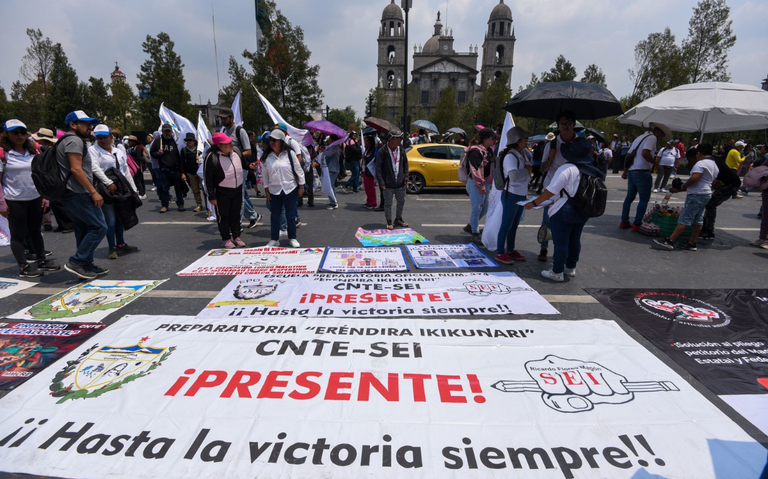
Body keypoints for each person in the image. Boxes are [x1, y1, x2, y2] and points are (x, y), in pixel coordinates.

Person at [525, 137, 606, 282]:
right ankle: (570, 268)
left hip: (564, 208)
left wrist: (534, 203)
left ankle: (557, 271)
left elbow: (550, 191)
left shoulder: (567, 168)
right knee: (575, 240)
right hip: (583, 208)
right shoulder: (592, 170)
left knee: (560, 241)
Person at [0, 120, 60, 277]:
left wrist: (45, 197)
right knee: (18, 234)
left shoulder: (33, 151)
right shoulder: (3, 153)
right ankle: (23, 266)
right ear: (7, 134)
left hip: (35, 197)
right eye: (15, 132)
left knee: (35, 231)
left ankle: (42, 260)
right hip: (14, 199)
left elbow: (41, 175)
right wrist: (1, 203)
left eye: (22, 132)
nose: (20, 136)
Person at [57, 110, 108, 280]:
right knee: (100, 227)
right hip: (78, 192)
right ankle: (77, 261)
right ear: (73, 125)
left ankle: (85, 265)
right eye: (86, 124)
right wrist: (93, 192)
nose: (90, 127)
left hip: (72, 193)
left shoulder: (69, 140)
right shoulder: (73, 140)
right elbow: (76, 169)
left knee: (83, 229)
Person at [653, 144, 718, 251]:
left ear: (698, 153)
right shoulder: (714, 164)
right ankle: (692, 242)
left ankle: (670, 240)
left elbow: (695, 178)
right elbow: (714, 181)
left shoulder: (701, 163)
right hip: (706, 193)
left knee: (685, 218)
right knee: (698, 219)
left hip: (697, 194)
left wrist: (684, 186)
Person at [89, 124, 140, 260]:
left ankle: (121, 244)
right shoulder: (93, 150)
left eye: (105, 137)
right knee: (110, 219)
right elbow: (95, 168)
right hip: (106, 189)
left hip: (121, 188)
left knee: (120, 217)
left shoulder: (119, 151)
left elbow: (125, 171)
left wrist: (133, 188)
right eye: (99, 138)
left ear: (111, 136)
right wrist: (108, 183)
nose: (102, 140)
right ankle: (112, 247)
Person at [538, 111, 579, 262]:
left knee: (569, 224)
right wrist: (550, 158)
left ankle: (561, 254)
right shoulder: (552, 145)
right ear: (558, 126)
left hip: (572, 193)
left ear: (574, 124)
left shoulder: (580, 144)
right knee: (547, 221)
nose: (565, 127)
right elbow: (542, 169)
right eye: (562, 124)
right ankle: (544, 247)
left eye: (568, 124)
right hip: (552, 190)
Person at [203, 132, 254, 249]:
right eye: (228, 143)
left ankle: (237, 236)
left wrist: (249, 166)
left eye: (231, 142)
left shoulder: (236, 151)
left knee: (235, 214)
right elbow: (207, 178)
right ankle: (226, 238)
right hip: (221, 192)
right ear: (220, 146)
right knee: (224, 216)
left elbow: (243, 163)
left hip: (237, 189)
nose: (231, 144)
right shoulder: (211, 157)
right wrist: (211, 196)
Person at [620, 123, 672, 231]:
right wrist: (656, 164)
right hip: (642, 172)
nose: (660, 138)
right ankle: (637, 224)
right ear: (658, 132)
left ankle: (624, 221)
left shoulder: (639, 137)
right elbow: (645, 153)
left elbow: (628, 155)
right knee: (644, 199)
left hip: (632, 171)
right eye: (661, 136)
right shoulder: (652, 138)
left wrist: (625, 170)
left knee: (629, 198)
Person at [262, 129, 305, 247]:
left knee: (290, 215)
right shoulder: (266, 156)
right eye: (270, 140)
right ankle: (274, 239)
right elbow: (265, 174)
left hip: (290, 188)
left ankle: (292, 237)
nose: (272, 142)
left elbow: (298, 169)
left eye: (275, 140)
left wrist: (301, 186)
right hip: (274, 190)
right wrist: (266, 189)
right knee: (275, 215)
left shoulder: (290, 154)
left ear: (281, 141)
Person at [495, 126, 530, 264]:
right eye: (525, 138)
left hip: (519, 194)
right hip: (512, 194)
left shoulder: (521, 154)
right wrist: (527, 170)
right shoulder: (511, 156)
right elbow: (513, 177)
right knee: (506, 225)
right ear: (518, 140)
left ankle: (510, 250)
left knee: (514, 225)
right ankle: (500, 253)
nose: (527, 140)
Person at [462, 128, 497, 241]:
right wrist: (480, 185)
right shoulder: (476, 151)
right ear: (486, 139)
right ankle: (474, 232)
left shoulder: (489, 151)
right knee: (476, 209)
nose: (494, 141)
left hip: (486, 184)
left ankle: (470, 226)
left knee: (485, 209)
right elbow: (475, 170)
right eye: (493, 138)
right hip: (476, 184)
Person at [700, 148, 741, 240]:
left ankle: (708, 230)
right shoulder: (714, 159)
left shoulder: (710, 162)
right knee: (710, 204)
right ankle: (706, 227)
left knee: (711, 204)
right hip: (728, 183)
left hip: (730, 184)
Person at [375, 128, 409, 230]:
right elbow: (378, 168)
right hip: (388, 183)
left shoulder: (401, 149)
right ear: (391, 139)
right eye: (398, 138)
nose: (400, 140)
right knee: (388, 203)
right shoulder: (383, 151)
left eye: (400, 138)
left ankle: (398, 219)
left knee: (401, 201)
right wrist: (381, 181)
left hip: (400, 183)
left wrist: (406, 176)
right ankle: (389, 221)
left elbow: (406, 164)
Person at [150, 123, 186, 212]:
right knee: (164, 188)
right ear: (162, 132)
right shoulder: (158, 140)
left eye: (169, 131)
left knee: (178, 188)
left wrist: (182, 171)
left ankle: (180, 204)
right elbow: (152, 152)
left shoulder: (175, 140)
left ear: (171, 132)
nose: (167, 133)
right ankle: (165, 205)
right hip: (164, 169)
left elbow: (179, 156)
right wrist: (158, 154)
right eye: (165, 131)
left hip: (175, 169)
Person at [180, 133, 204, 212]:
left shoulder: (199, 150)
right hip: (191, 173)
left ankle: (209, 205)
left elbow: (205, 159)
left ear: (194, 141)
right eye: (187, 140)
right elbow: (182, 163)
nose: (189, 142)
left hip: (201, 173)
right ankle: (199, 204)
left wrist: (200, 158)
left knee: (205, 189)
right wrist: (183, 173)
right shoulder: (184, 150)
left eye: (190, 140)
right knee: (195, 190)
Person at [362, 134, 378, 209]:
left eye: (367, 141)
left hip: (370, 170)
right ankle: (369, 201)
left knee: (371, 187)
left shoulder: (373, 150)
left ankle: (373, 202)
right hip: (365, 169)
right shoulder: (367, 149)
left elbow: (371, 159)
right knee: (367, 187)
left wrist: (365, 157)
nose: (366, 142)